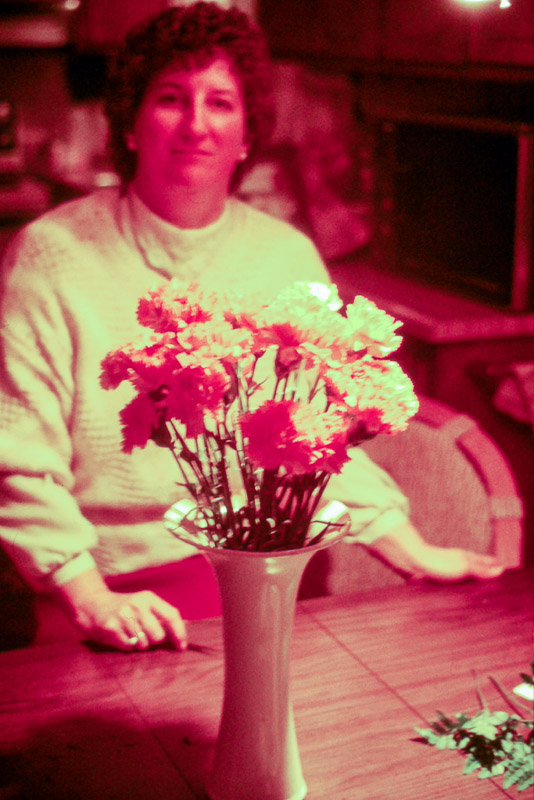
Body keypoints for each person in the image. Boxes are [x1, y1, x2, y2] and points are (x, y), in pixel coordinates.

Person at [0, 2, 503, 653]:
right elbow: (18, 458)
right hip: (109, 592)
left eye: (220, 103)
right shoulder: (49, 255)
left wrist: (411, 549)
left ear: (246, 136)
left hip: (272, 575)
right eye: (171, 98)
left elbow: (320, 442)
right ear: (129, 123)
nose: (196, 123)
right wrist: (91, 597)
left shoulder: (285, 257)